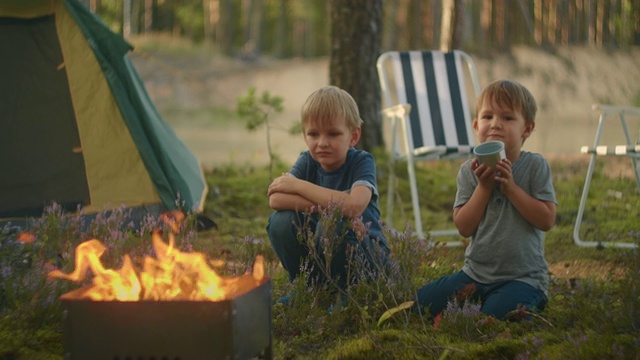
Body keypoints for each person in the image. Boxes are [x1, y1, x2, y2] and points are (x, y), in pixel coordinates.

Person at [414, 79, 557, 320]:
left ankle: (508, 306)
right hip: (475, 276)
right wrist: (484, 187)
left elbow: (546, 220)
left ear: (527, 129)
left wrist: (510, 188)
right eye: (487, 117)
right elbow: (464, 227)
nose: (495, 124)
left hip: (523, 278)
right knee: (421, 303)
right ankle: (476, 306)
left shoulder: (534, 166)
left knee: (495, 317)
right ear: (476, 125)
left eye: (507, 118)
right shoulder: (469, 172)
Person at [266, 85, 390, 299]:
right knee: (280, 222)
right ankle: (308, 286)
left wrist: (298, 186)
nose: (322, 143)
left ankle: (349, 292)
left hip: (366, 257)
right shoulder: (307, 160)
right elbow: (276, 198)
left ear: (353, 136)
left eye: (333, 134)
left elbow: (354, 205)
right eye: (313, 134)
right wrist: (329, 206)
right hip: (323, 254)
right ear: (304, 136)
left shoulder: (361, 161)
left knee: (332, 225)